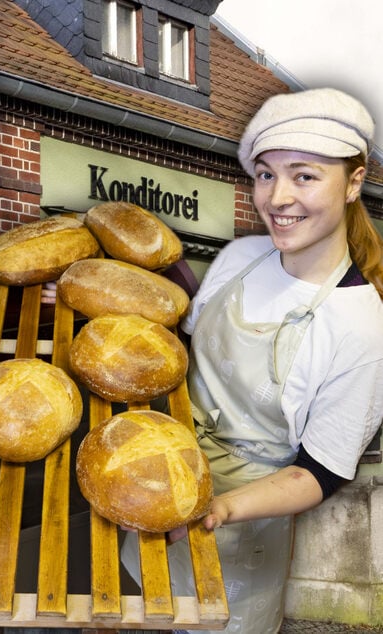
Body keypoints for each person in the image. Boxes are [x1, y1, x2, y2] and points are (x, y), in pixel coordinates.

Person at [121, 87, 383, 633]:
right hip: (153, 481)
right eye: (266, 174)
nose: (278, 197)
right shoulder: (243, 255)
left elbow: (320, 471)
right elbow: (183, 348)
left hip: (241, 530)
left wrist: (222, 509)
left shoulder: (359, 325)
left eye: (304, 175)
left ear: (354, 183)